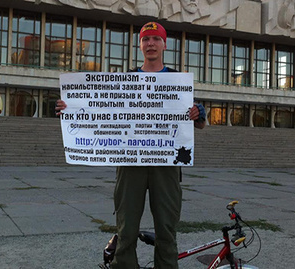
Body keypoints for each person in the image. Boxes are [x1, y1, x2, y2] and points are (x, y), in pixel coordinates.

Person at [56, 21, 206, 268]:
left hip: (166, 166)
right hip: (130, 163)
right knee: (126, 231)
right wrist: (69, 108)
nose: (151, 44)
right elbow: (98, 109)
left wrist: (198, 114)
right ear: (140, 45)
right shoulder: (125, 81)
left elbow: (198, 125)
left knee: (167, 232)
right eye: (146, 40)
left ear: (164, 44)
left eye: (156, 39)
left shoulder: (176, 82)